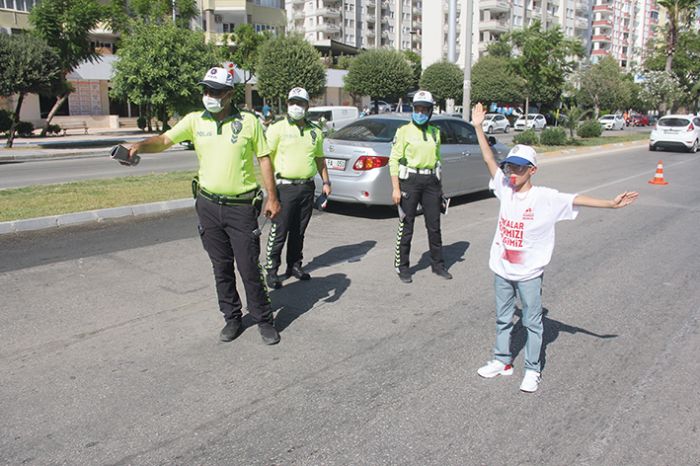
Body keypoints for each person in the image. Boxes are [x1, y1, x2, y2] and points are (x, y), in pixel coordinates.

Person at [471, 102, 638, 392]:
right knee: (502, 318)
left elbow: (577, 199)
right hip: (501, 268)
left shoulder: (545, 198)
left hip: (530, 274)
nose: (513, 172)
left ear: (532, 170)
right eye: (510, 166)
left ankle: (533, 370)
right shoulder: (504, 187)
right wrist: (477, 126)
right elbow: (488, 158)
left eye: (519, 168)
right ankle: (502, 361)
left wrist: (611, 204)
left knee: (534, 324)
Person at [126, 67, 282, 345]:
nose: (208, 95)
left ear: (230, 94)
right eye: (206, 90)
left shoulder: (248, 122)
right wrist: (139, 146)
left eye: (215, 91)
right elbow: (163, 140)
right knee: (220, 266)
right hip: (208, 205)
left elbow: (264, 159)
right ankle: (232, 318)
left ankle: (264, 319)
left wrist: (272, 196)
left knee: (248, 267)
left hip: (241, 207)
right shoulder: (195, 121)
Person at [263, 87, 331, 289]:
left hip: (306, 187)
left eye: (300, 103)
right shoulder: (277, 129)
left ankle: (294, 265)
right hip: (284, 188)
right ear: (287, 104)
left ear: (307, 106)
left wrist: (326, 182)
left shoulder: (315, 132)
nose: (295, 107)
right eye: (292, 102)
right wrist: (270, 192)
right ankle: (272, 270)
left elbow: (319, 159)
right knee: (279, 230)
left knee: (299, 231)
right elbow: (265, 160)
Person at [389, 90, 452, 284]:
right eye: (418, 109)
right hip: (410, 181)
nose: (421, 112)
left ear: (431, 111)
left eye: (425, 109)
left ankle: (438, 265)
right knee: (406, 225)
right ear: (412, 109)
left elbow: (438, 160)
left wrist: (440, 188)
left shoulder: (435, 132)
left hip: (431, 182)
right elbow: (393, 160)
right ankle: (403, 266)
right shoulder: (404, 131)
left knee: (434, 226)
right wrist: (396, 188)